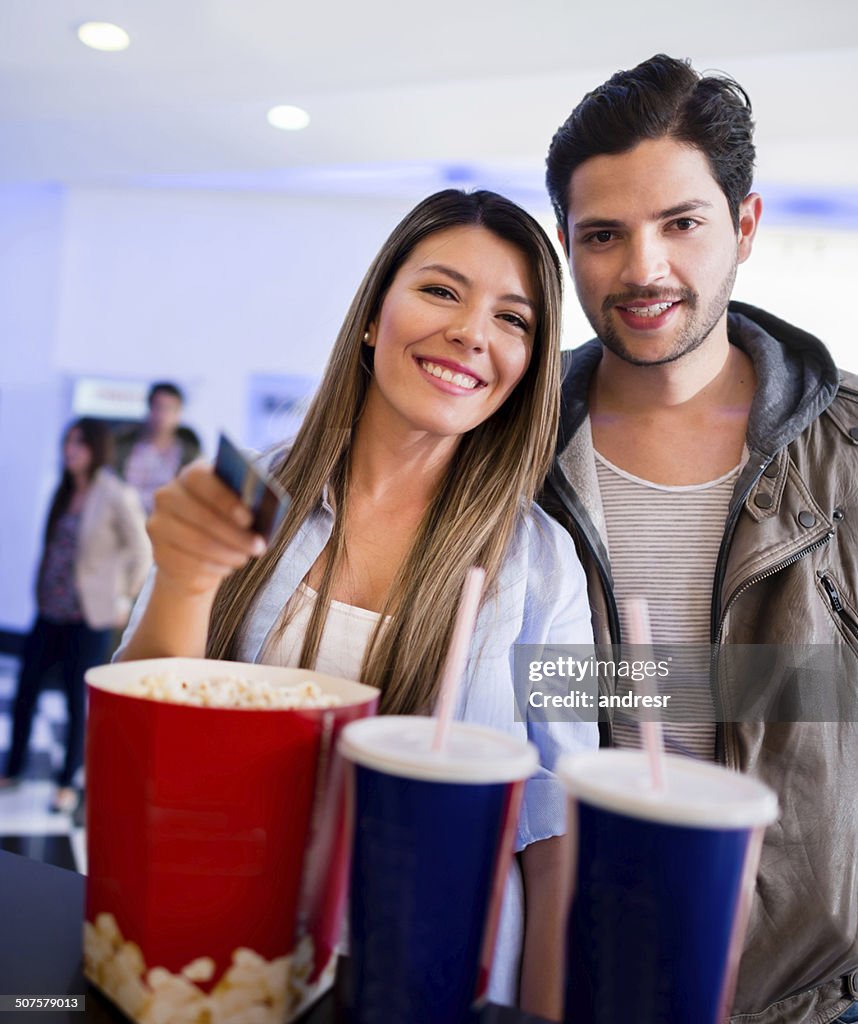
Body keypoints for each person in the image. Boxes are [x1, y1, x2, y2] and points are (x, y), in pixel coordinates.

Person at [116, 189, 598, 1018]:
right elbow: (137, 748)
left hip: (440, 983)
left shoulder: (545, 563)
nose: (472, 332)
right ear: (373, 317)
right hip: (224, 966)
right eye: (442, 291)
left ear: (528, 367)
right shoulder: (253, 492)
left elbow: (557, 835)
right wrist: (184, 578)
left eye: (513, 320)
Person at [542, 54, 858, 1023]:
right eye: (603, 234)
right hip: (563, 980)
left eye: (680, 223)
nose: (642, 269)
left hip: (799, 999)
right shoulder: (509, 448)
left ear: (743, 226)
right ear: (565, 244)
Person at [0, 418, 150, 813]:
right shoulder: (65, 490)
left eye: (79, 444)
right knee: (26, 691)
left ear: (96, 449)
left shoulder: (115, 494)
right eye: (68, 442)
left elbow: (143, 551)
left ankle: (68, 782)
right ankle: (12, 769)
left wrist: (124, 598)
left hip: (88, 617)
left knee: (73, 700)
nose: (71, 450)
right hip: (49, 610)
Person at [115, 381, 201, 514]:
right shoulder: (124, 447)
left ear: (179, 413)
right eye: (159, 407)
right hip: (125, 517)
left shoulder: (189, 453)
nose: (162, 415)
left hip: (168, 521)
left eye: (169, 409)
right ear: (149, 408)